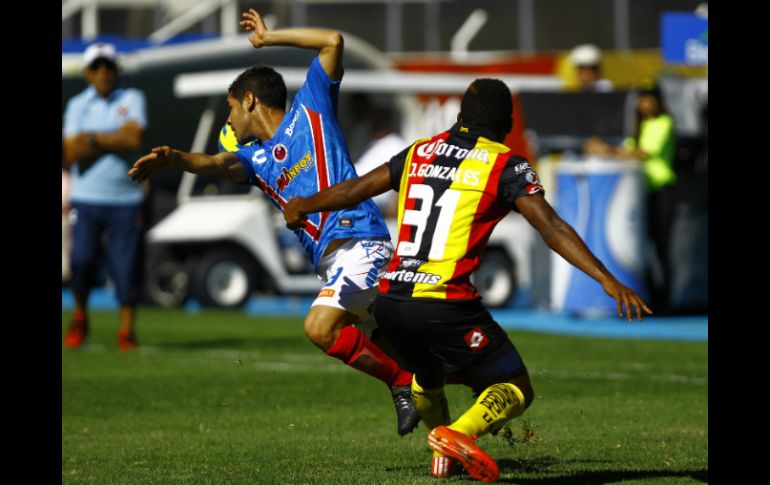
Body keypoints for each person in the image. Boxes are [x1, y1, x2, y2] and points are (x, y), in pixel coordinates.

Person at [283, 78, 652, 482]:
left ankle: (444, 457)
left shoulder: (419, 151)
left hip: (390, 300)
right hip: (443, 302)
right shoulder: (505, 164)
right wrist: (607, 279)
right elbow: (552, 228)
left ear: (459, 117)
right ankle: (457, 434)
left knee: (427, 378)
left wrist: (304, 205)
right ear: (508, 125)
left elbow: (355, 190)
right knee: (516, 385)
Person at [129, 9, 420, 436]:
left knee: (319, 327)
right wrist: (174, 158)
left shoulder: (312, 108)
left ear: (249, 100)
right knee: (410, 356)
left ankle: (401, 385)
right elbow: (213, 163)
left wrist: (268, 38)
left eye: (230, 108)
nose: (228, 120)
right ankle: (449, 423)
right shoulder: (255, 160)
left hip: (362, 242)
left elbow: (332, 41)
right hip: (336, 263)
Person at [62, 42, 148, 351]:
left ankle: (126, 331)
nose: (103, 72)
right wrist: (115, 137)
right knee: (81, 261)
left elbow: (136, 137)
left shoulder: (133, 98)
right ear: (87, 73)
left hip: (126, 200)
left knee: (126, 269)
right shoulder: (76, 104)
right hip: (86, 199)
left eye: (108, 66)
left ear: (116, 70)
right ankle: (80, 315)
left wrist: (92, 138)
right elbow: (70, 150)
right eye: (97, 67)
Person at [583, 84, 676, 311]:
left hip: (661, 189)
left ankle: (665, 300)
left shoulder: (664, 123)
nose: (644, 104)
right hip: (639, 191)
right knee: (642, 246)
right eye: (641, 99)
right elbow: (626, 150)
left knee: (660, 245)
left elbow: (642, 153)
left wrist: (606, 150)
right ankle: (649, 296)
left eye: (648, 99)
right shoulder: (638, 126)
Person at [353, 105, 405, 217]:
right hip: (352, 192)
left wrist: (392, 209)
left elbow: (401, 179)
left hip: (371, 202)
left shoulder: (397, 144)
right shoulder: (372, 143)